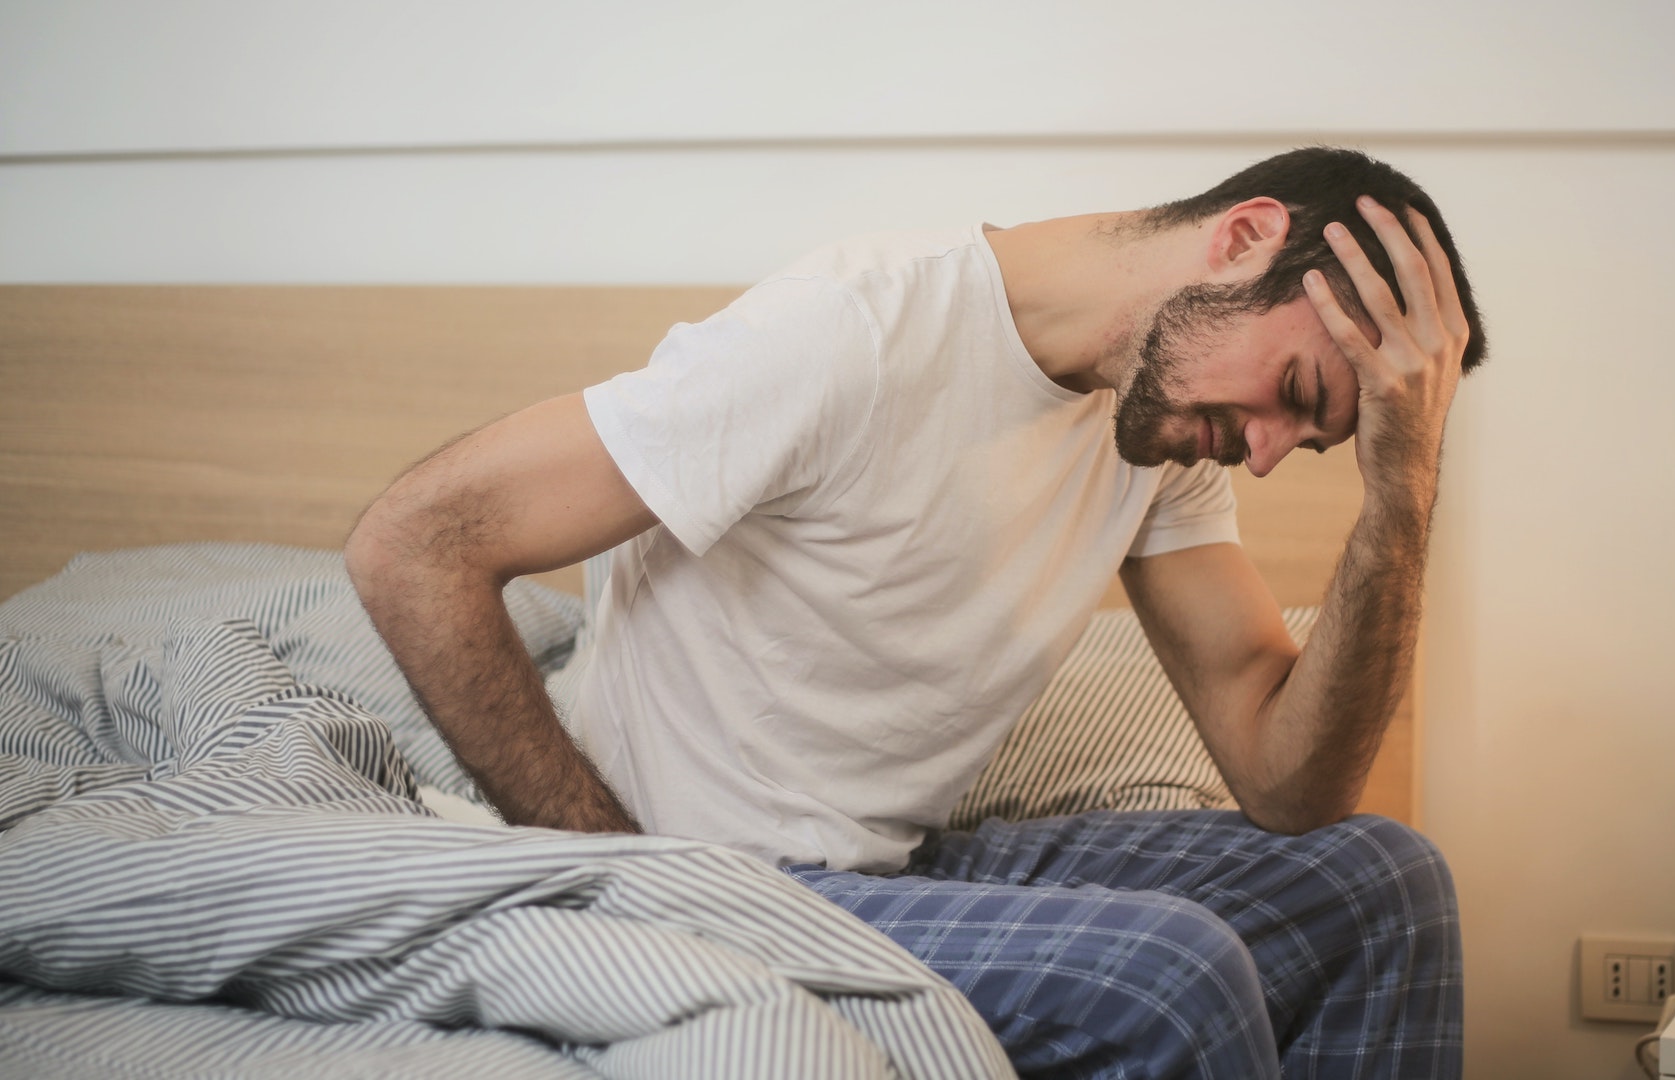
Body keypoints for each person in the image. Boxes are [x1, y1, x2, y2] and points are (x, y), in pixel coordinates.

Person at [346, 146, 1487, 1079]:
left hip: (890, 865)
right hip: (716, 873)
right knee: (1168, 975)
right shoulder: (852, 333)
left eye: (1318, 440)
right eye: (1294, 395)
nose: (1274, 453)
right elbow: (415, 542)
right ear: (1243, 239)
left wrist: (1403, 487)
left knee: (1379, 881)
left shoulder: (1163, 431)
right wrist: (623, 874)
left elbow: (1291, 784)